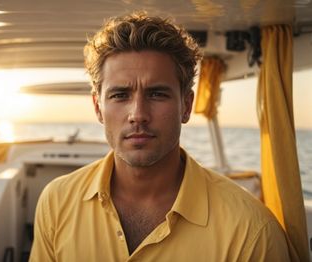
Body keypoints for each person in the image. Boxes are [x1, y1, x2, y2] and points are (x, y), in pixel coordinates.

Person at [29, 11, 292, 261]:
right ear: (98, 108)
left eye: (157, 94)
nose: (138, 114)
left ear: (186, 106)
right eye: (120, 95)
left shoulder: (252, 232)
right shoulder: (57, 201)